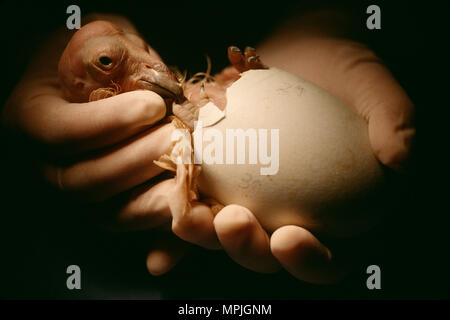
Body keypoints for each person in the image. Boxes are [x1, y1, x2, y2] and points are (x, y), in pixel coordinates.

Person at [1, 6, 414, 290]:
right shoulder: (124, 141)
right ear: (93, 94)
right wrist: (31, 32)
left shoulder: (190, 82)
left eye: (137, 45)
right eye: (111, 64)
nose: (152, 66)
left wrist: (322, 17)